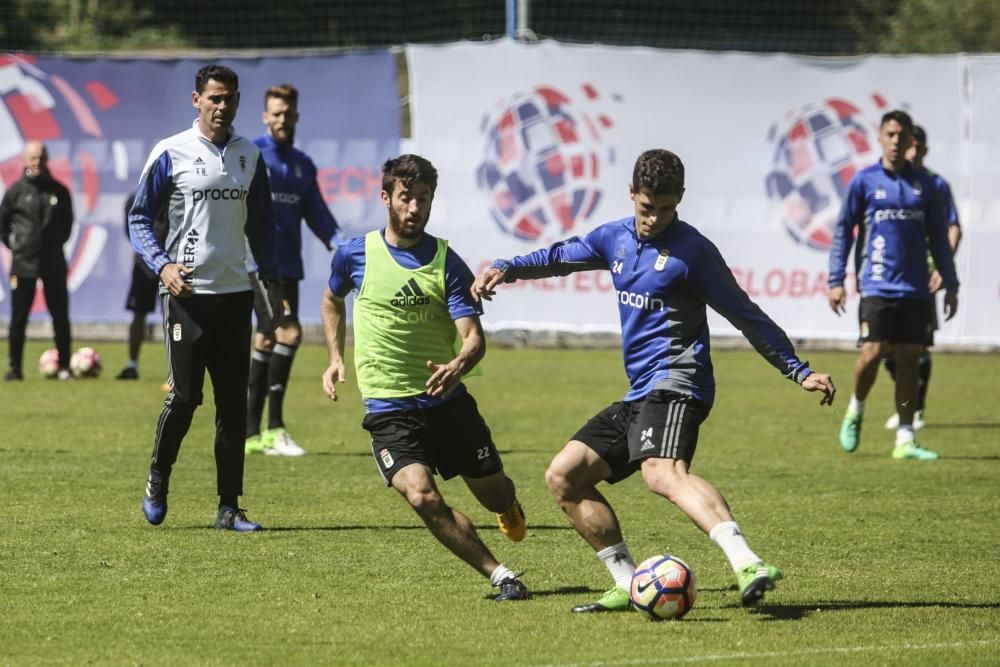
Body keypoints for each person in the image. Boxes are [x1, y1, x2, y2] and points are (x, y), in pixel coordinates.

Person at [472, 149, 836, 613]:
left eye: (666, 209)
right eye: (647, 208)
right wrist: (510, 267)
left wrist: (798, 370)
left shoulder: (694, 253)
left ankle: (747, 562)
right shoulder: (614, 239)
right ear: (631, 195)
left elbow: (746, 315)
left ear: (679, 200)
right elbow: (561, 256)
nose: (655, 219)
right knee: (564, 476)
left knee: (662, 473)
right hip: (641, 391)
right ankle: (628, 583)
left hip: (680, 383)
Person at [320, 154, 529, 602]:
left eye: (423, 199)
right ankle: (501, 575)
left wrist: (460, 364)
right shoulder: (354, 255)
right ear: (386, 198)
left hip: (446, 403)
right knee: (422, 497)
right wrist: (335, 356)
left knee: (493, 494)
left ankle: (507, 506)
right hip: (388, 408)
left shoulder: (446, 263)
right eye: (405, 198)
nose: (414, 208)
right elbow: (331, 300)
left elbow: (473, 338)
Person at [130, 64, 280, 532]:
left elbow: (262, 226)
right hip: (188, 296)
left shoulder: (249, 155)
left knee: (233, 405)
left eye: (229, 98)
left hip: (235, 297)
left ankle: (229, 507)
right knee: (186, 398)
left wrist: (270, 287)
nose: (221, 106)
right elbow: (138, 219)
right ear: (197, 100)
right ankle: (158, 477)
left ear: (237, 101)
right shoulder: (170, 152)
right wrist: (164, 265)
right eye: (213, 98)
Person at [828, 110, 959, 461]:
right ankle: (856, 408)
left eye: (903, 135)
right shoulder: (865, 181)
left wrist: (952, 282)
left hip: (915, 289)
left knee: (909, 362)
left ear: (911, 141)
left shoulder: (928, 185)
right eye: (891, 134)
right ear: (881, 138)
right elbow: (843, 231)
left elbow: (940, 240)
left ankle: (905, 437)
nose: (897, 141)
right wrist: (836, 280)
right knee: (871, 354)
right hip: (877, 284)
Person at [244, 84, 340, 457]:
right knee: (289, 332)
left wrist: (340, 243)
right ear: (266, 116)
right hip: (259, 265)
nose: (282, 119)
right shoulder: (250, 156)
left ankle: (252, 435)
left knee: (267, 339)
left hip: (290, 268)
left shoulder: (302, 165)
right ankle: (274, 428)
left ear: (296, 116)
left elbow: (318, 213)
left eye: (288, 113)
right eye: (275, 113)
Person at [881, 125, 962, 431]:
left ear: (925, 150)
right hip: (887, 278)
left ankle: (914, 411)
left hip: (922, 278)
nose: (912, 152)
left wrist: (943, 267)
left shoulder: (935, 185)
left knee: (915, 349)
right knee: (883, 348)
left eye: (918, 147)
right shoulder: (886, 181)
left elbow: (954, 227)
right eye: (908, 146)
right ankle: (907, 406)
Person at [1, 141, 75, 381]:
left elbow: (67, 224)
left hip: (53, 262)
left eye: (41, 157)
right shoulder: (15, 192)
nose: (37, 162)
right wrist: (17, 245)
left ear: (47, 159)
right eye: (33, 158)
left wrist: (53, 244)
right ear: (25, 161)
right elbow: (2, 225)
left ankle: (65, 367)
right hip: (23, 263)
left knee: (60, 316)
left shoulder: (59, 191)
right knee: (18, 318)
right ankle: (15, 368)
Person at [116, 192, 168, 381]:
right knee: (138, 314)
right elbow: (131, 232)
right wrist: (149, 253)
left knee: (173, 318)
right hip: (144, 265)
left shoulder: (176, 195)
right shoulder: (135, 199)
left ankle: (175, 371)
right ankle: (132, 365)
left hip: (172, 264)